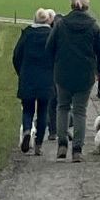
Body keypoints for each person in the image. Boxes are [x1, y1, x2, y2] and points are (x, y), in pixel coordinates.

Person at [46, 0, 100, 162]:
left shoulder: (61, 24)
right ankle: (78, 150)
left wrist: (55, 63)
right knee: (80, 111)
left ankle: (62, 144)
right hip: (85, 74)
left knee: (62, 107)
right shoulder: (93, 26)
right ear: (87, 7)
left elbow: (49, 46)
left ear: (72, 6)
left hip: (63, 72)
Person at [13, 8, 55, 156]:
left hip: (28, 78)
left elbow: (16, 56)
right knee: (43, 112)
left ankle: (26, 131)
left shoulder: (27, 34)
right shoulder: (51, 35)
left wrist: (21, 73)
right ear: (47, 20)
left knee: (28, 109)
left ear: (35, 19)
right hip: (47, 80)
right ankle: (38, 145)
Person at [45, 8, 60, 140]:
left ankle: (53, 131)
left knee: (52, 103)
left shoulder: (51, 33)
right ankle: (62, 130)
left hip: (52, 72)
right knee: (63, 103)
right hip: (63, 72)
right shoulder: (63, 32)